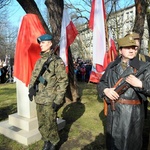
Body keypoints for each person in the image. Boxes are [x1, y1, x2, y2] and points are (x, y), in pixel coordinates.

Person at [97, 35, 150, 150]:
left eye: (134, 48)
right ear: (120, 50)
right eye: (127, 48)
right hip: (114, 110)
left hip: (132, 114)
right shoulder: (111, 66)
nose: (131, 50)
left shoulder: (145, 67)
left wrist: (141, 84)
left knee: (129, 144)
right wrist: (106, 90)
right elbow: (101, 83)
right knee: (113, 143)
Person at [28, 34, 68, 150]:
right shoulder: (39, 61)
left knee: (51, 123)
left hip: (50, 99)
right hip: (39, 98)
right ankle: (46, 141)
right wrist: (31, 89)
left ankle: (54, 143)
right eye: (40, 43)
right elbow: (34, 77)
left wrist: (58, 99)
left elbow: (63, 81)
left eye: (43, 43)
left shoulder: (56, 61)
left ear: (50, 44)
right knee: (41, 123)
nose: (40, 45)